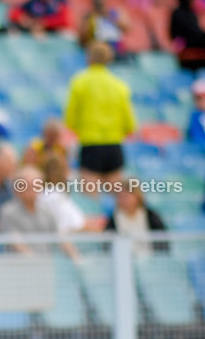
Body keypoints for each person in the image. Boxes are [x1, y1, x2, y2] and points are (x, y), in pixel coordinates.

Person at [64, 41, 136, 191]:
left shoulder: (79, 82)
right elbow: (130, 124)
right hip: (114, 144)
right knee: (116, 194)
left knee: (90, 196)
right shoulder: (119, 85)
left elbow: (70, 119)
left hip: (90, 144)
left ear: (89, 57)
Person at [104, 177, 167, 255]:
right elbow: (107, 245)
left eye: (126, 196)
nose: (123, 200)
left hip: (150, 259)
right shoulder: (113, 218)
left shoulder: (151, 216)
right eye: (120, 197)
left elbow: (162, 242)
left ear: (136, 196)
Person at [170, 0, 205, 71]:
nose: (194, 1)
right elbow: (183, 31)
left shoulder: (191, 13)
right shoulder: (178, 13)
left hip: (195, 39)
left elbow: (196, 29)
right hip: (185, 42)